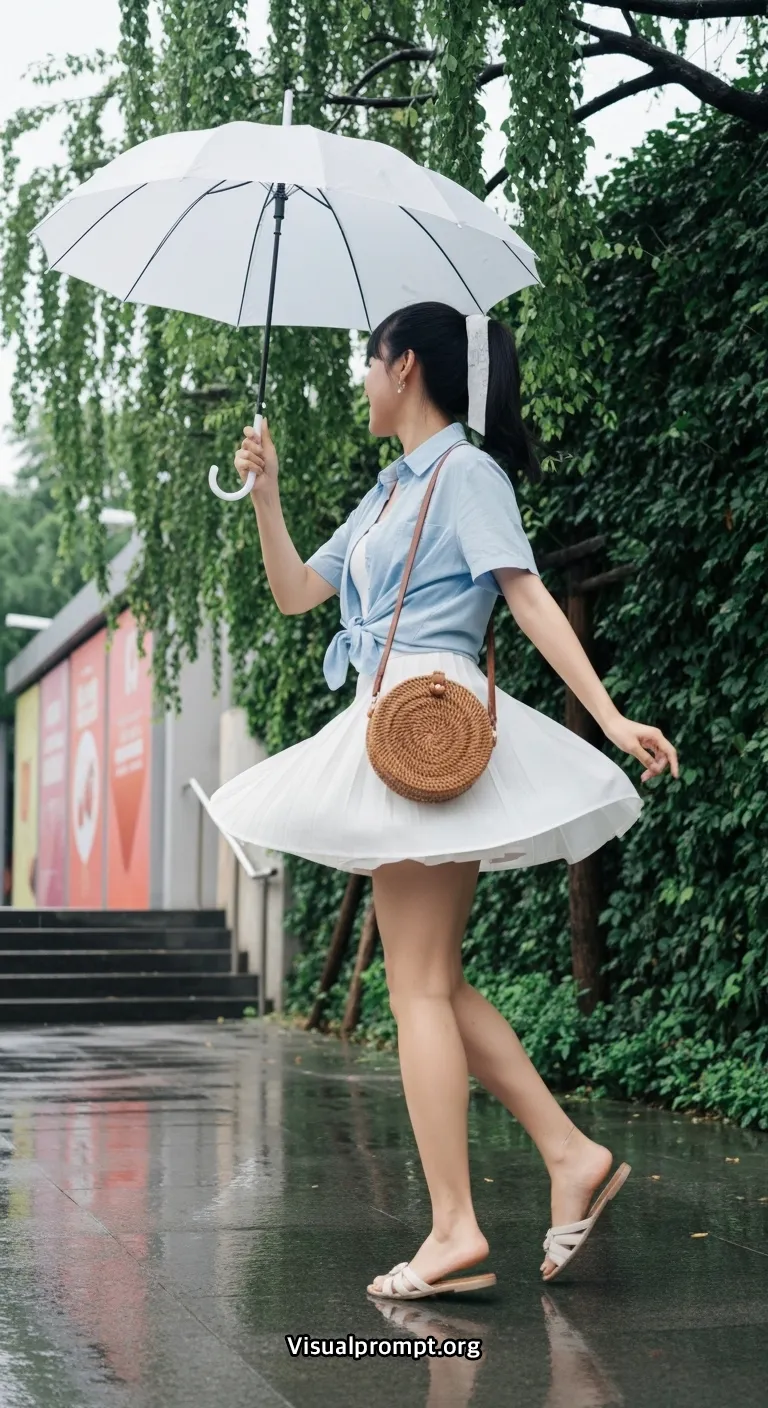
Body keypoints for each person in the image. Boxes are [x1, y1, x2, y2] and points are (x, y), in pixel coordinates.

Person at [209, 300, 679, 1300]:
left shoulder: (466, 473)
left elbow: (525, 593)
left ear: (406, 365)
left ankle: (458, 1228)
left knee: (417, 984)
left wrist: (607, 715)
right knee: (436, 982)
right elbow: (299, 593)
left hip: (432, 723)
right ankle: (569, 1154)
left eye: (367, 361)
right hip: (393, 726)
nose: (361, 380)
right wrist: (267, 494)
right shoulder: (388, 490)